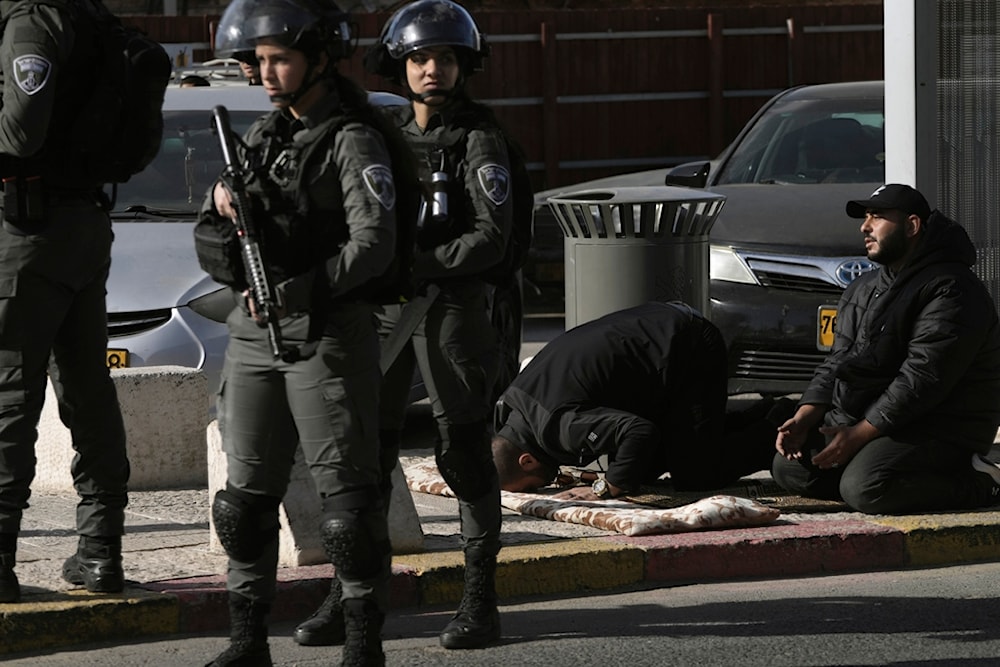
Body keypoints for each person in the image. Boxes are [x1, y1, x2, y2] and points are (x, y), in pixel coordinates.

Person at [292, 0, 511, 652]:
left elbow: (492, 236)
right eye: (420, 59)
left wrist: (420, 261)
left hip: (450, 310)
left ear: (463, 65)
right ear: (402, 65)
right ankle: (354, 594)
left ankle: (481, 598)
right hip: (386, 309)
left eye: (445, 58)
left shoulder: (479, 141)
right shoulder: (383, 136)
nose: (432, 70)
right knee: (363, 455)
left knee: (463, 452)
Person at [202, 0, 401, 664]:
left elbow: (374, 243)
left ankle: (363, 638)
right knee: (242, 502)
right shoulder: (260, 137)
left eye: (279, 58)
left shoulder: (351, 138)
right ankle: (247, 636)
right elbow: (215, 241)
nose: (265, 72)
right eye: (258, 60)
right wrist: (223, 208)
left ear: (318, 58)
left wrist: (302, 287)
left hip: (324, 332)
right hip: (255, 331)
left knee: (345, 507)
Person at [0, 0, 131, 603]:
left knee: (8, 397)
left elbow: (22, 132)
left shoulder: (32, 18)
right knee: (88, 390)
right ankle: (101, 553)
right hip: (83, 225)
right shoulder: (89, 16)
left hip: (29, 233)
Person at [772, 184, 1000, 514]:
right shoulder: (864, 287)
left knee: (866, 488)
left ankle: (980, 482)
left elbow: (921, 380)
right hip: (877, 417)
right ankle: (876, 471)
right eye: (865, 217)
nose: (865, 227)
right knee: (790, 468)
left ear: (912, 226)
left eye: (877, 217)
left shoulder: (952, 288)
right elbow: (838, 361)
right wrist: (805, 415)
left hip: (942, 425)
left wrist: (858, 435)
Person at [491, 301, 783, 499]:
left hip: (686, 345)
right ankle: (759, 413)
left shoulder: (560, 426)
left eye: (530, 488)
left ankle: (776, 428)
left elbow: (639, 431)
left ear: (526, 460)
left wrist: (608, 486)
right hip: (657, 343)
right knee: (645, 468)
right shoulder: (513, 410)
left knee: (696, 474)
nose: (543, 487)